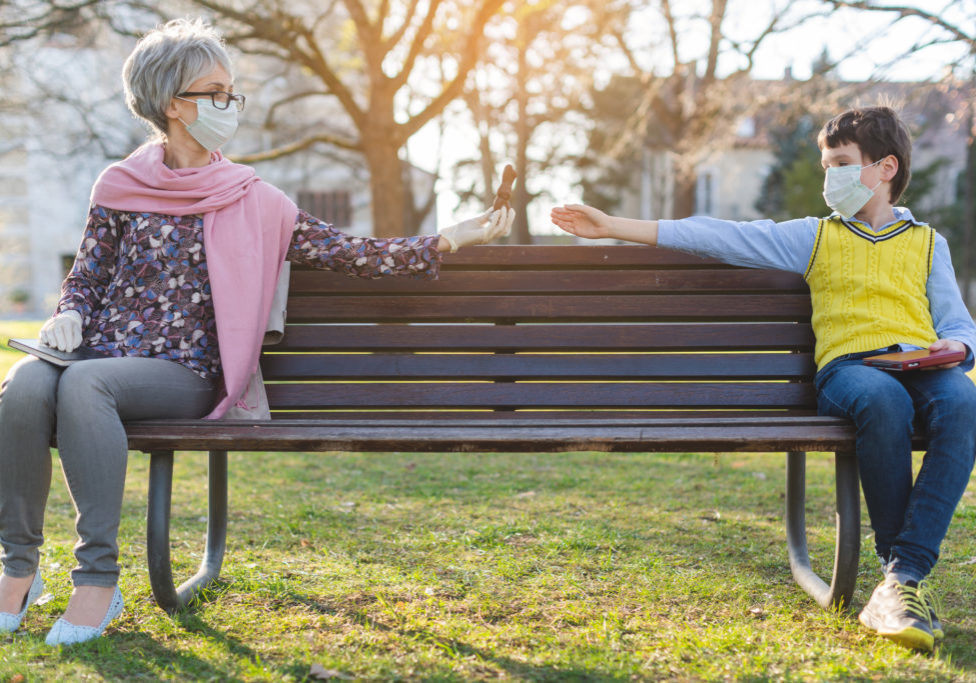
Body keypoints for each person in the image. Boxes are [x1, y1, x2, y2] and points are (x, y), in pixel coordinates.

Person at [0, 17, 514, 646]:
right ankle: (19, 569)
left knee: (84, 388)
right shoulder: (119, 185)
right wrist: (69, 311)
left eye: (230, 90)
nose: (229, 104)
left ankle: (97, 582)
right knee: (23, 383)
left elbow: (351, 253)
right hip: (101, 353)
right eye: (215, 91)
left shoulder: (254, 197)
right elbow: (86, 276)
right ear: (173, 104)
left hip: (184, 374)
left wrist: (449, 237)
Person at [552, 105, 976, 653]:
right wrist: (614, 226)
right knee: (883, 400)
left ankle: (900, 579)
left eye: (842, 163)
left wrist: (959, 345)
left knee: (965, 400)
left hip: (918, 364)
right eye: (825, 166)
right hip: (851, 374)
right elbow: (719, 235)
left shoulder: (928, 243)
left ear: (886, 168)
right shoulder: (813, 238)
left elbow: (957, 321)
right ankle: (903, 580)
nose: (830, 178)